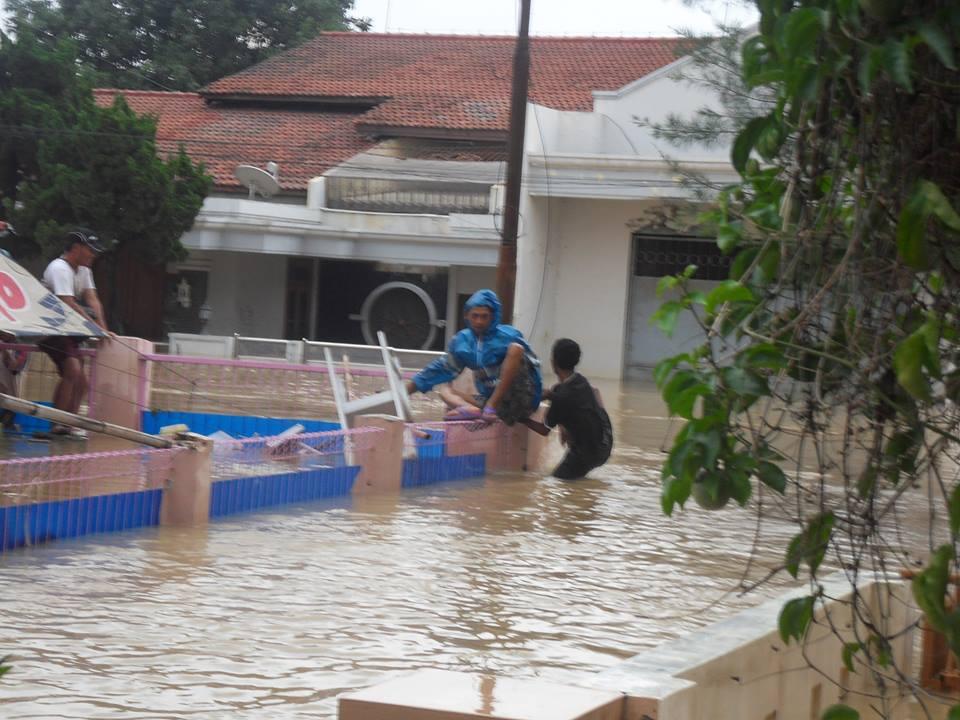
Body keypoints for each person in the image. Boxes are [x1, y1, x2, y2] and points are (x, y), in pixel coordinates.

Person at [405, 289, 542, 426]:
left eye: (484, 316)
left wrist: (492, 405)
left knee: (516, 349)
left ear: (493, 317)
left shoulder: (509, 335)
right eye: (475, 316)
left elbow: (534, 368)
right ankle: (469, 409)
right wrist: (406, 390)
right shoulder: (462, 341)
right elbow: (439, 369)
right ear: (467, 316)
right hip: (492, 404)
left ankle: (490, 407)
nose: (479, 321)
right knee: (445, 390)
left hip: (521, 399)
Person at [38, 227, 110, 437]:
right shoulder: (59, 268)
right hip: (49, 328)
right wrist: (93, 327)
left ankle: (68, 425)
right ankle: (56, 424)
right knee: (72, 371)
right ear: (76, 248)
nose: (94, 255)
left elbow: (92, 299)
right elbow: (67, 302)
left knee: (82, 383)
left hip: (68, 330)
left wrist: (103, 328)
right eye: (90, 250)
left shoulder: (84, 270)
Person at [529, 338, 613, 480]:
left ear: (553, 362)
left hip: (585, 454)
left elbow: (543, 430)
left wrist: (521, 418)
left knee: (556, 482)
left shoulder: (560, 397)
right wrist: (562, 425)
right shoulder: (581, 381)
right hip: (605, 444)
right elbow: (569, 399)